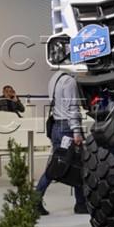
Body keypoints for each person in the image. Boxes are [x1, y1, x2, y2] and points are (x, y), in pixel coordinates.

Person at [35, 69, 89, 215]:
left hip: (56, 127)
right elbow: (72, 107)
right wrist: (77, 131)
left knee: (56, 165)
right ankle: (80, 204)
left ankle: (36, 199)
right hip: (67, 127)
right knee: (78, 164)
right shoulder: (69, 81)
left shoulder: (54, 78)